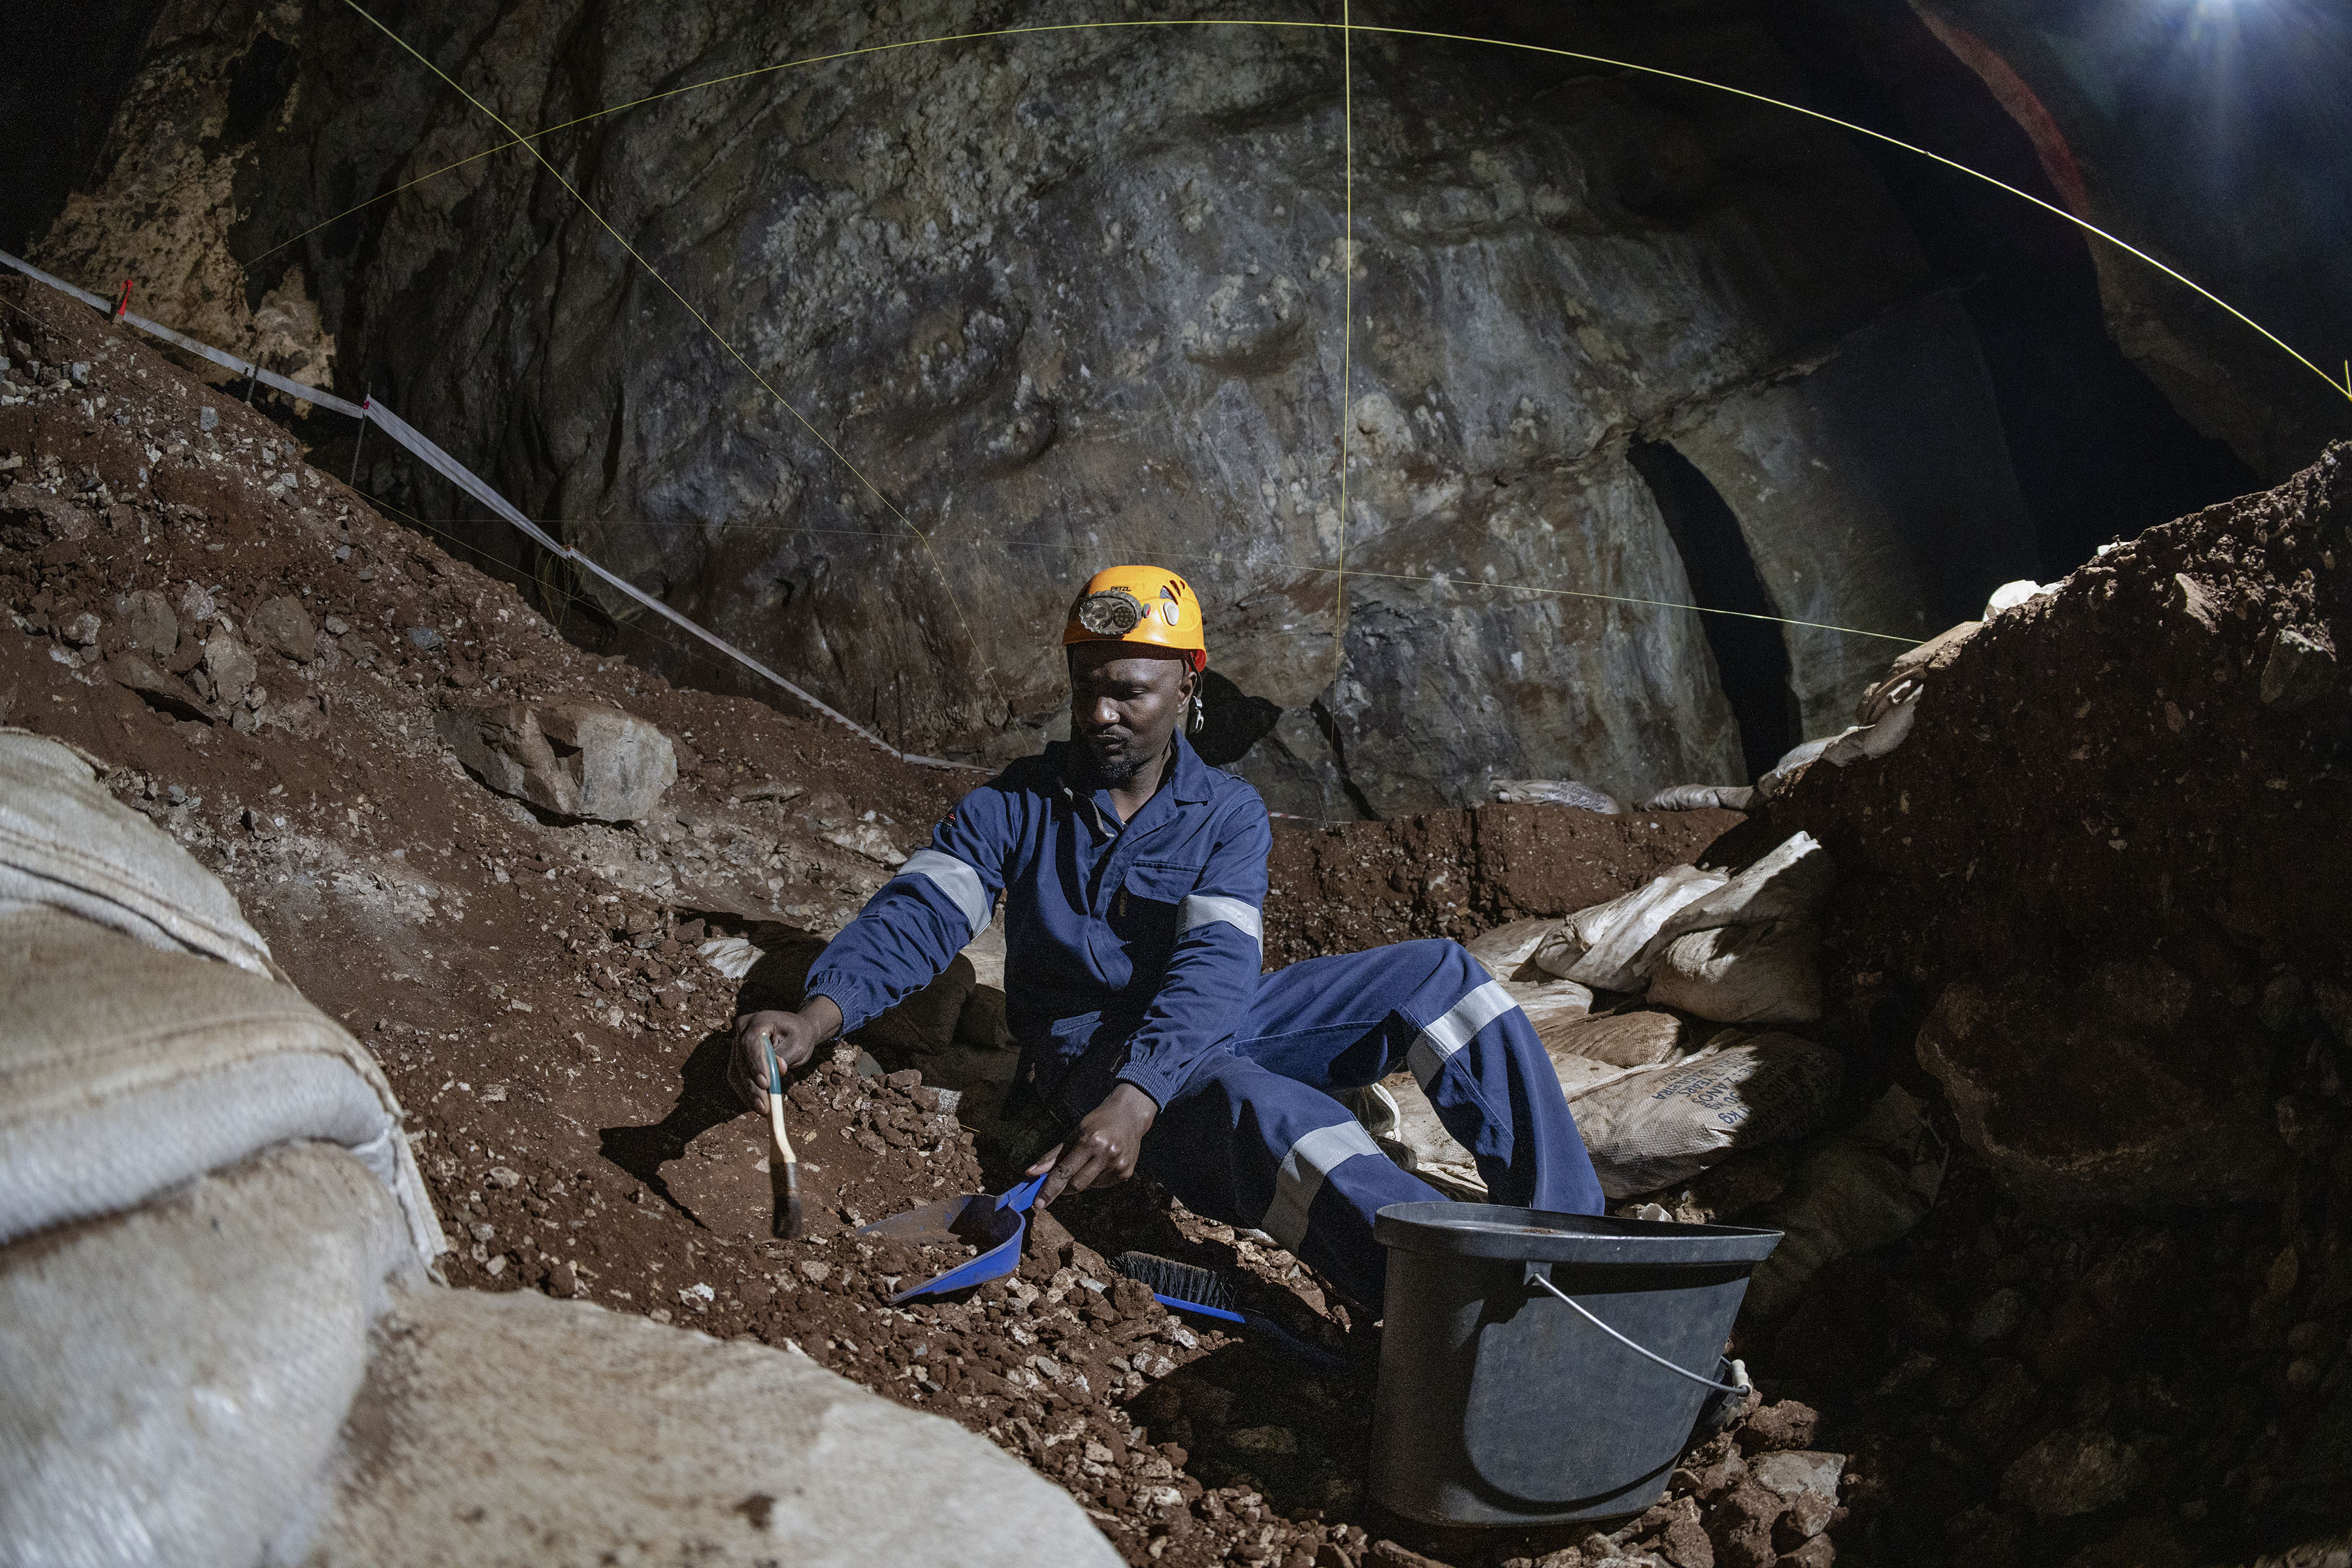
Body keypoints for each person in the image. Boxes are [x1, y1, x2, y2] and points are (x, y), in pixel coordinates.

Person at [732, 565, 1603, 1311]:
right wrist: (818, 1015)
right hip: (1094, 1061)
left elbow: (1215, 966)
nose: (1103, 713)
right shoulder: (1013, 805)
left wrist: (1141, 1098)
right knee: (1268, 1111)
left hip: (1198, 1029)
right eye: (1087, 690)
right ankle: (1446, 1299)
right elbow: (920, 913)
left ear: (1188, 684)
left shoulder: (1226, 815)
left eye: (1128, 692)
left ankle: (1580, 1251)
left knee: (1443, 976)